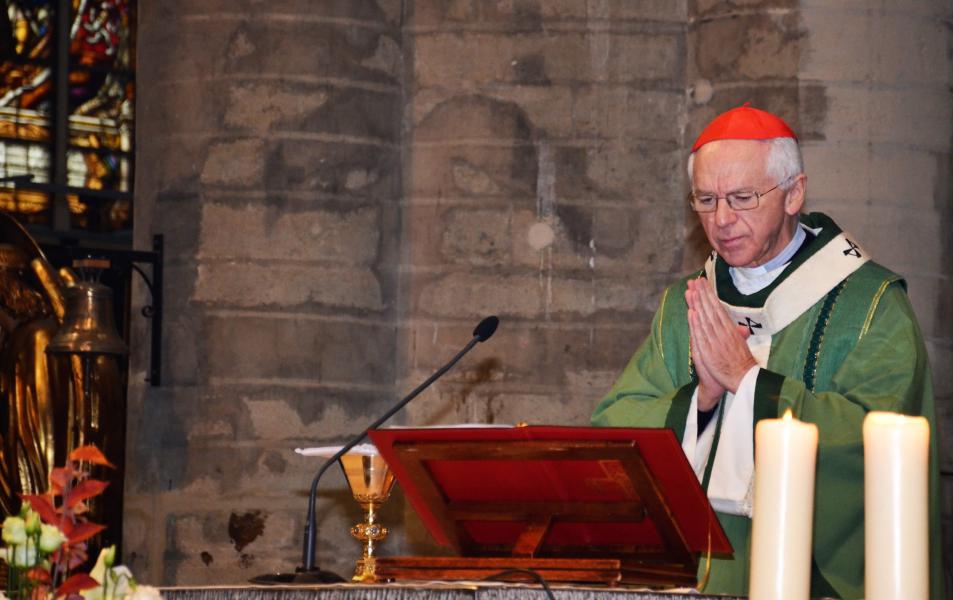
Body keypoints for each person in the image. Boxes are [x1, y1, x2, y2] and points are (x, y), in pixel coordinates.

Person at [591, 104, 943, 599]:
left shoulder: (871, 305)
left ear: (794, 193)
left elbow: (883, 443)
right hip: (687, 577)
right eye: (706, 199)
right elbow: (614, 426)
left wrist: (749, 381)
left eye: (742, 197)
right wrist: (703, 402)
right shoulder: (688, 303)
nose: (722, 219)